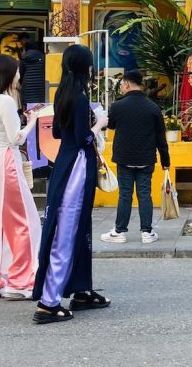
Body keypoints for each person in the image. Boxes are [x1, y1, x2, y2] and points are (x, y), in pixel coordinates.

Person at [32, 44, 110, 324]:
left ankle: (81, 289)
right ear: (84, 67)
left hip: (64, 164)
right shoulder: (79, 98)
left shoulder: (62, 94)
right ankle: (48, 302)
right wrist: (99, 123)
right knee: (67, 230)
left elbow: (57, 132)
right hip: (77, 167)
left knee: (77, 228)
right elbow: (83, 139)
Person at [0, 54, 41, 300]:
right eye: (17, 71)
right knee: (25, 222)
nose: (19, 75)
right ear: (7, 74)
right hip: (6, 163)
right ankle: (20, 281)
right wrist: (32, 122)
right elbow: (16, 139)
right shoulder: (5, 101)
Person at [100, 69, 170, 245]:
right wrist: (165, 161)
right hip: (146, 158)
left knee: (125, 195)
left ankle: (119, 231)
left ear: (127, 84)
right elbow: (161, 137)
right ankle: (147, 232)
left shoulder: (118, 106)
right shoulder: (153, 107)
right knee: (144, 194)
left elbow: (111, 125)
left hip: (124, 158)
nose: (121, 87)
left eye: (122, 84)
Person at [20, 40, 46, 107]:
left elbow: (21, 74)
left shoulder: (24, 58)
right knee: (40, 109)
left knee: (29, 110)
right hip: (40, 88)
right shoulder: (43, 57)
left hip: (27, 89)